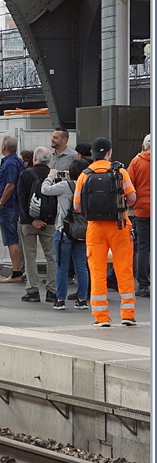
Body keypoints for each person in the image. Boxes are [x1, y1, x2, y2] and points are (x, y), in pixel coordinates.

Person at [74, 137, 137, 327]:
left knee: (97, 271)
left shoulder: (84, 175)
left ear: (92, 154)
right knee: (123, 269)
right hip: (119, 225)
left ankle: (101, 317)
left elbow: (77, 206)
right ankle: (128, 314)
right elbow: (132, 198)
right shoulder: (120, 172)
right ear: (109, 152)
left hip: (95, 228)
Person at [43, 158, 90, 311]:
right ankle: (82, 299)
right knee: (81, 267)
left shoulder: (65, 186)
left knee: (62, 267)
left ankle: (60, 299)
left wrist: (51, 176)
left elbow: (45, 189)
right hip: (82, 230)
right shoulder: (88, 187)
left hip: (64, 230)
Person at [18, 145, 58, 303]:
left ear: (34, 158)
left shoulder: (25, 175)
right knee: (51, 257)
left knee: (30, 257)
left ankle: (32, 290)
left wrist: (31, 219)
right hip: (49, 223)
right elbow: (56, 200)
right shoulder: (54, 175)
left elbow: (21, 199)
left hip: (28, 223)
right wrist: (47, 219)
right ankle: (52, 290)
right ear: (49, 160)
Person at [0, 136, 26, 283]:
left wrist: (1, 202)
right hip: (12, 205)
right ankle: (17, 271)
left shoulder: (10, 163)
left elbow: (10, 184)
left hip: (9, 206)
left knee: (11, 239)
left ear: (4, 147)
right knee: (13, 239)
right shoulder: (16, 161)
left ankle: (16, 272)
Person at [128, 135, 150, 298]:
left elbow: (129, 186)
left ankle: (143, 285)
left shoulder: (136, 162)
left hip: (142, 210)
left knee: (143, 247)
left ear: (143, 146)